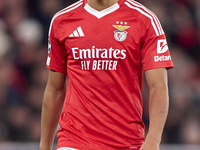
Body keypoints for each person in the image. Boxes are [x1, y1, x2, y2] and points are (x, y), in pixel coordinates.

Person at [40, 0, 174, 150]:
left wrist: (153, 140)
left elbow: (158, 86)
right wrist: (44, 145)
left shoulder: (145, 20)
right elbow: (54, 89)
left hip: (125, 141)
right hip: (74, 139)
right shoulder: (62, 20)